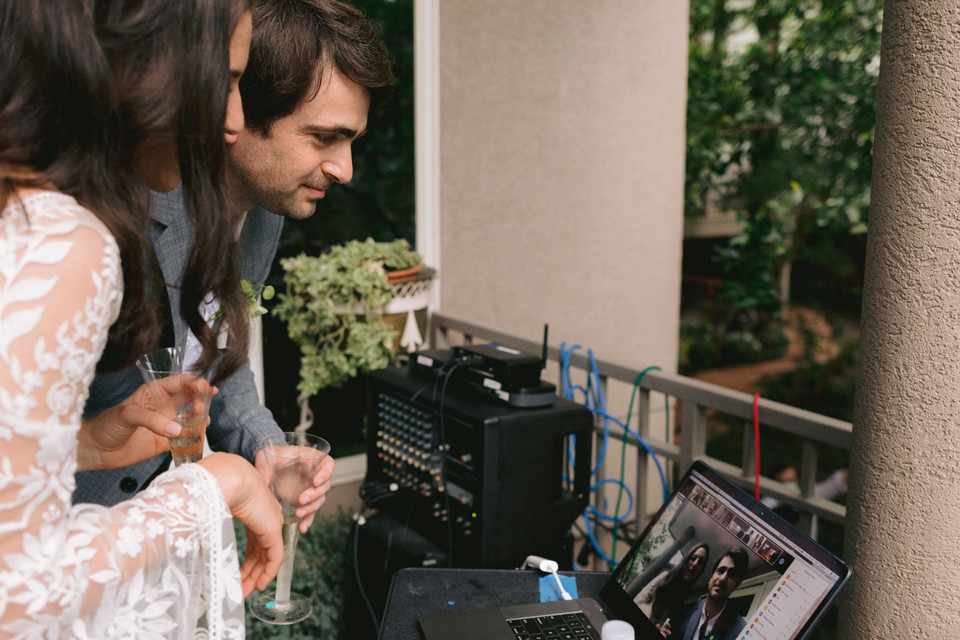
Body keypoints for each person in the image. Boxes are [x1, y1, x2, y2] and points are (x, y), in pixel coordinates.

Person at [0, 0, 284, 636]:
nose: (233, 120)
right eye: (227, 81)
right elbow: (16, 597)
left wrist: (80, 443)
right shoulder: (62, 241)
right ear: (143, 59)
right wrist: (218, 486)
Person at [74, 0, 395, 534]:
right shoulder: (107, 216)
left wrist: (265, 445)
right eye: (323, 137)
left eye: (351, 141)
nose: (345, 169)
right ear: (241, 110)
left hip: (185, 524)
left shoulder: (266, 211)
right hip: (70, 529)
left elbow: (216, 349)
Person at [660, 548, 749, 640]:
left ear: (736, 585)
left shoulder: (742, 631)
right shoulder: (682, 612)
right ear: (711, 577)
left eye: (732, 574)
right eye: (721, 571)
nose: (723, 578)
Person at [634, 543, 711, 624]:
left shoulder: (687, 597)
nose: (695, 563)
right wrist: (647, 610)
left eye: (700, 562)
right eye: (693, 558)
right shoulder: (665, 577)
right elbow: (638, 600)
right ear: (686, 560)